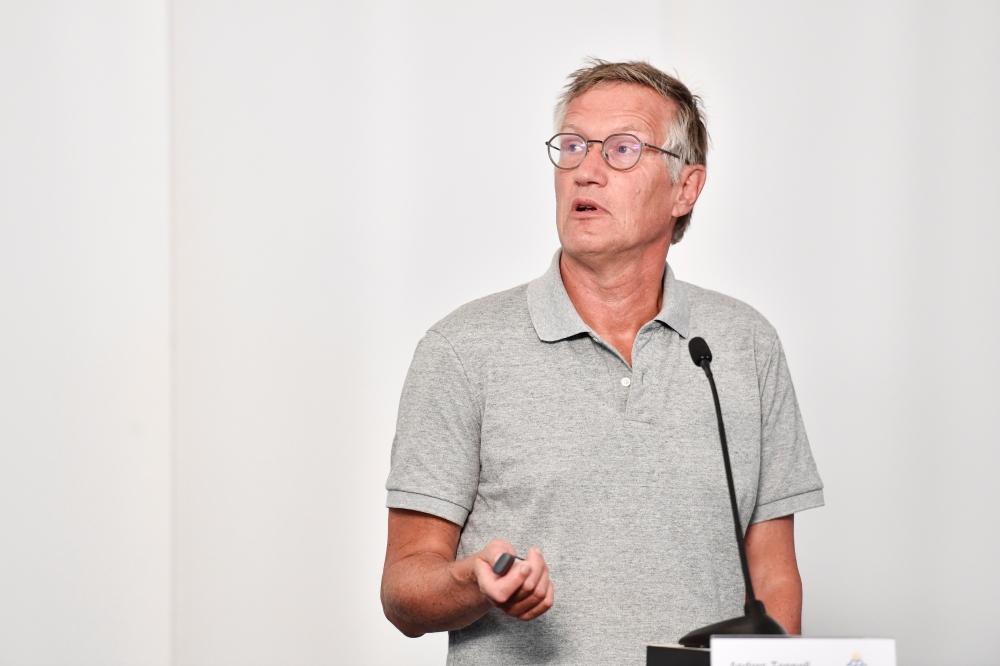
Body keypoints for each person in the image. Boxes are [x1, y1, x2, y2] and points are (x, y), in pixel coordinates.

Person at [380, 59, 823, 666]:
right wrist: (472, 582)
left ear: (685, 188)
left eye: (620, 149)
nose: (585, 171)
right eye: (571, 147)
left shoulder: (744, 344)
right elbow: (403, 591)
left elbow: (774, 578)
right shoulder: (462, 349)